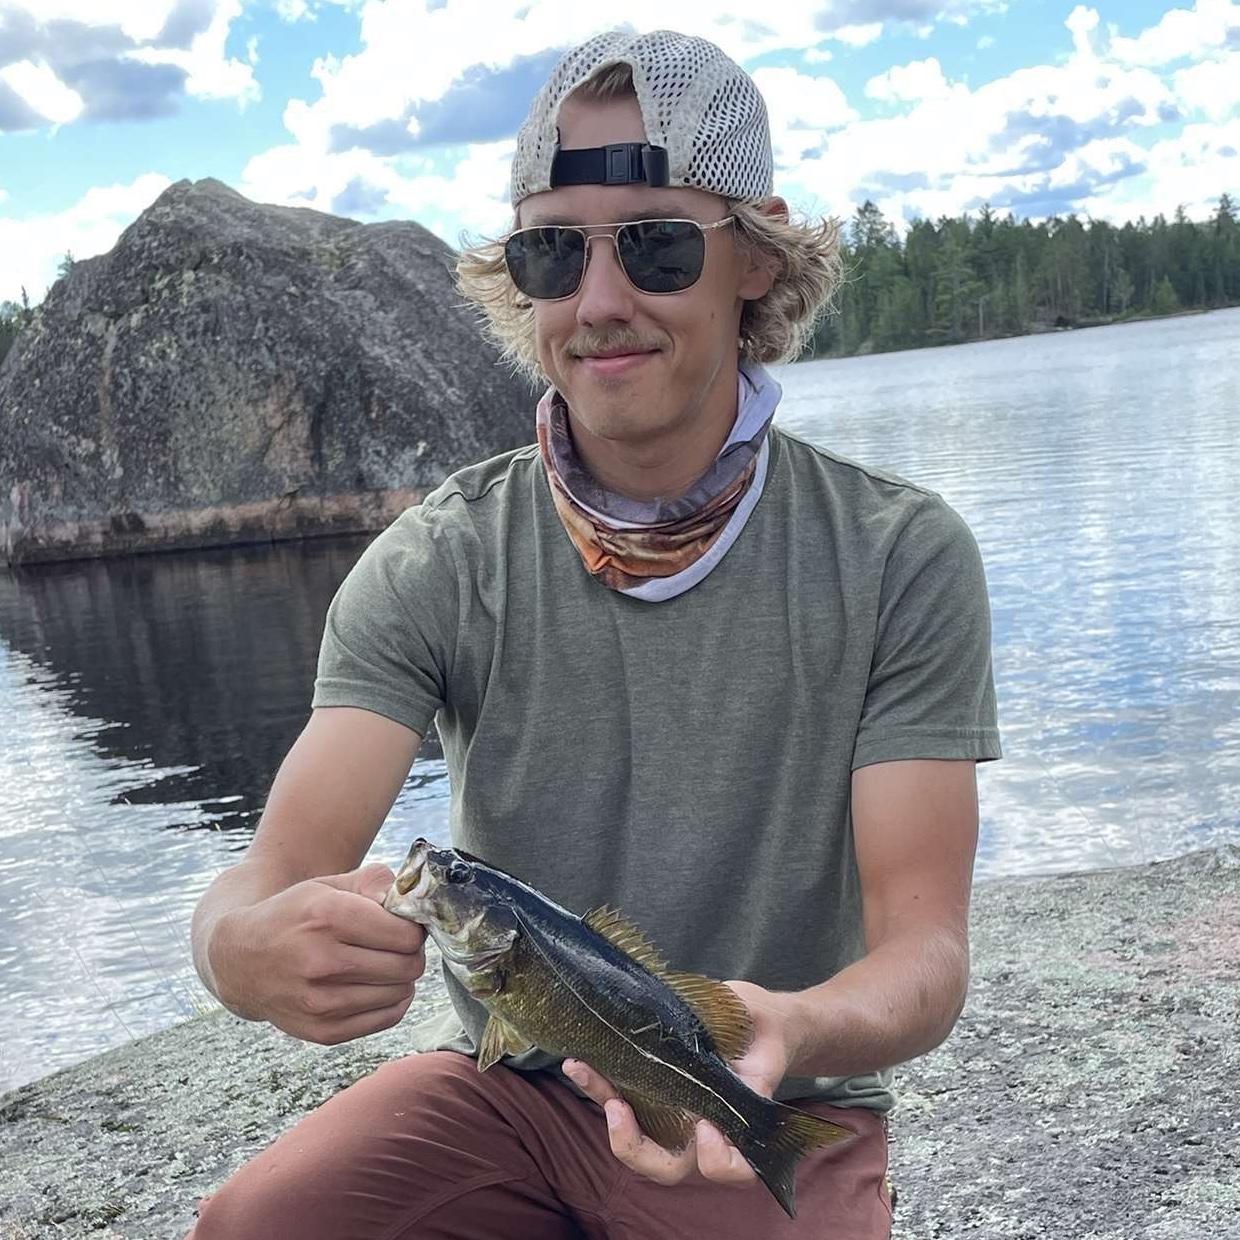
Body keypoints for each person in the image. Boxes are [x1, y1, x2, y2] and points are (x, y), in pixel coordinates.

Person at [187, 27, 1001, 1240]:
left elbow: (924, 953)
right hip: (515, 1097)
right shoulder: (438, 559)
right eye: (554, 251)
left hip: (752, 1103)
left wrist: (790, 1028)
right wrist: (237, 951)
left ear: (755, 259)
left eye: (658, 245)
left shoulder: (896, 555)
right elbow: (271, 874)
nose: (601, 301)